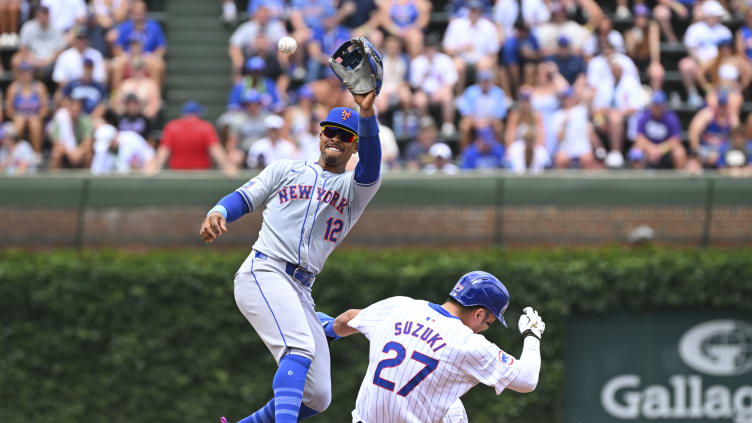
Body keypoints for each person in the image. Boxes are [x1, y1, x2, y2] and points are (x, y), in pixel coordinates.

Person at [201, 89, 382, 423]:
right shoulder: (285, 169)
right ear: (320, 134)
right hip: (265, 270)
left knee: (318, 396)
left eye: (346, 136)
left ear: (355, 144)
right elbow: (246, 196)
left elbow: (371, 165)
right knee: (298, 350)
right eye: (331, 131)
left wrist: (367, 115)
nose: (336, 139)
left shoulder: (356, 189)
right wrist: (219, 209)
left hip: (301, 289)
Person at [318, 271, 545, 423]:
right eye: (488, 322)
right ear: (478, 313)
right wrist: (532, 334)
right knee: (454, 411)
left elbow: (347, 318)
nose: (486, 327)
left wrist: (326, 334)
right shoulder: (467, 344)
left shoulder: (400, 306)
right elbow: (527, 379)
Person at [146, 101, 236, 176]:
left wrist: (155, 166)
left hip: (177, 174)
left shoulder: (171, 127)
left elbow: (163, 151)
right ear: (197, 114)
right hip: (201, 175)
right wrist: (227, 166)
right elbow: (215, 150)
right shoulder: (205, 127)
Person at [678, 0, 732, 107]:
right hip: (699, 63)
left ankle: (727, 97)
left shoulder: (725, 31)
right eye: (713, 15)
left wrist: (714, 64)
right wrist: (701, 62)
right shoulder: (695, 29)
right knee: (685, 65)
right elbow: (691, 49)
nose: (715, 18)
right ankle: (692, 94)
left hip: (719, 64)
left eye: (716, 15)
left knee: (730, 68)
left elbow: (728, 52)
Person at [409, 34, 458, 138]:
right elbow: (415, 85)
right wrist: (423, 76)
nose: (430, 51)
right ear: (424, 48)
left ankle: (448, 125)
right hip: (424, 92)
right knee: (419, 99)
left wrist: (440, 92)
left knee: (448, 96)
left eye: (432, 48)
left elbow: (451, 82)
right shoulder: (417, 62)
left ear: (436, 48)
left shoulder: (445, 60)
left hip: (441, 92)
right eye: (427, 48)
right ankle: (425, 124)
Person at [630, 91, 686, 169]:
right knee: (636, 151)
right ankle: (637, 179)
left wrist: (660, 150)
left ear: (664, 106)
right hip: (648, 149)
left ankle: (679, 179)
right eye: (655, 105)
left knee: (679, 152)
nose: (657, 108)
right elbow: (639, 137)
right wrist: (650, 148)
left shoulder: (671, 118)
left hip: (666, 151)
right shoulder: (644, 117)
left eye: (659, 105)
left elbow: (675, 140)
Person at [457, 69, 507, 150]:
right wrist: (477, 121)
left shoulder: (498, 92)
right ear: (479, 82)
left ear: (491, 82)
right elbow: (465, 110)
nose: (485, 83)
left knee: (499, 126)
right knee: (464, 126)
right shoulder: (470, 91)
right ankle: (465, 152)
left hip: (491, 120)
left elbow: (501, 112)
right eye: (483, 81)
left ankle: (499, 152)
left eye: (487, 81)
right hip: (474, 120)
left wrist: (487, 121)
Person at [687, 91, 737, 171]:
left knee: (734, 165)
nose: (722, 108)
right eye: (720, 105)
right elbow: (693, 133)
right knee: (692, 166)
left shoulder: (732, 118)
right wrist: (698, 152)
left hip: (723, 152)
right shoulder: (707, 114)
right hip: (705, 150)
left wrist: (721, 154)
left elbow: (737, 138)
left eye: (724, 105)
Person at [552, 88, 600, 169]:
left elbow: (590, 103)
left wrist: (589, 93)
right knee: (560, 160)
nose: (569, 100)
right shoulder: (557, 116)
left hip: (582, 149)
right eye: (566, 98)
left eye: (571, 97)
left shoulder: (581, 110)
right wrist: (564, 124)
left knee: (588, 159)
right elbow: (559, 138)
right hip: (565, 151)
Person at [5, 62, 49, 153]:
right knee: (19, 124)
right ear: (20, 74)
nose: (26, 74)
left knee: (35, 124)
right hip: (19, 116)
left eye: (28, 71)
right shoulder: (13, 88)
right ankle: (17, 153)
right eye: (23, 72)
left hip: (35, 116)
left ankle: (37, 153)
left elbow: (45, 108)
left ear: (32, 73)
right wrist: (15, 116)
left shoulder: (39, 87)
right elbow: (9, 109)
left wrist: (38, 116)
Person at [13, 5, 66, 78]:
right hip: (32, 59)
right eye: (41, 15)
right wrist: (34, 61)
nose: (43, 18)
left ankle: (60, 87)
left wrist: (48, 60)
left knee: (65, 60)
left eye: (45, 15)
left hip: (51, 59)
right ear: (37, 16)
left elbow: (59, 51)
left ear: (49, 15)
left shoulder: (56, 28)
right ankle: (19, 86)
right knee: (16, 60)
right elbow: (23, 49)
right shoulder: (28, 27)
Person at [624, 4, 665, 91]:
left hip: (648, 61)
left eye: (644, 17)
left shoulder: (652, 27)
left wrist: (655, 62)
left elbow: (654, 47)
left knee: (657, 72)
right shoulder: (629, 32)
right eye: (639, 17)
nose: (641, 20)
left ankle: (655, 98)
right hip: (634, 62)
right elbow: (630, 53)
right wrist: (634, 41)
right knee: (631, 72)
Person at [48, 93, 94, 169]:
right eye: (72, 105)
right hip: (65, 152)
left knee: (88, 155)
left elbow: (88, 143)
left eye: (77, 106)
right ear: (67, 107)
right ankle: (53, 179)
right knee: (56, 154)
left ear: (81, 108)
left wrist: (78, 152)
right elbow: (56, 143)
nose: (75, 108)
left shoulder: (86, 120)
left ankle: (86, 179)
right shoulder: (59, 119)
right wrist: (70, 153)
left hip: (79, 152)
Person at [90, 124, 154, 174]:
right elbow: (96, 171)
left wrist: (143, 169)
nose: (108, 147)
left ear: (114, 138)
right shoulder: (101, 151)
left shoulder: (132, 139)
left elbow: (149, 155)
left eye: (109, 143)